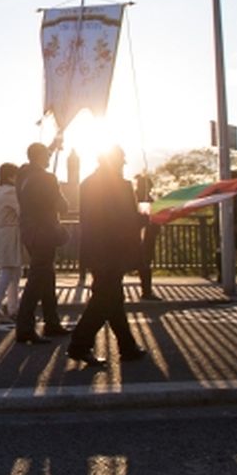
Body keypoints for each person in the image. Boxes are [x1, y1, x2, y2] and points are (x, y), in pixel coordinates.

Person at [66, 146, 148, 367]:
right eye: (122, 159)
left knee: (112, 297)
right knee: (104, 300)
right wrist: (141, 219)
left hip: (95, 249)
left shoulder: (87, 183)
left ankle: (127, 346)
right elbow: (122, 221)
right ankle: (79, 345)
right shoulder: (121, 186)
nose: (124, 163)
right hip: (114, 250)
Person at [14, 142, 71, 344]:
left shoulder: (22, 177)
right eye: (47, 155)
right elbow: (62, 206)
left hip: (29, 232)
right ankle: (25, 328)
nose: (49, 157)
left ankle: (52, 322)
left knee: (47, 277)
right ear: (40, 157)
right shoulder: (48, 178)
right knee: (38, 279)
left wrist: (53, 146)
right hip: (45, 232)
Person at [0, 163, 22, 324]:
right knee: (8, 272)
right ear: (10, 176)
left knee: (13, 273)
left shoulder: (0, 191)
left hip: (4, 234)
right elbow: (22, 210)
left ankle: (14, 309)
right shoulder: (10, 192)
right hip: (10, 235)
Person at [134, 172, 162, 301]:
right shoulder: (134, 199)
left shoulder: (146, 200)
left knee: (145, 263)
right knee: (143, 263)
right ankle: (146, 291)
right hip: (137, 235)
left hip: (147, 235)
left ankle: (147, 291)